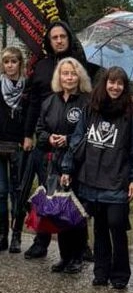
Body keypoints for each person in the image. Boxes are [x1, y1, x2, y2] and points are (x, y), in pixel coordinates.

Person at [61, 67, 133, 290]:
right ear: (104, 83)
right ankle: (101, 271)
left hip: (117, 178)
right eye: (111, 82)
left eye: (120, 84)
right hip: (91, 176)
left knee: (116, 225)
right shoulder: (91, 108)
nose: (115, 87)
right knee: (98, 227)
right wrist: (67, 168)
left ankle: (120, 274)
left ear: (125, 87)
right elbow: (77, 139)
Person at [22, 21, 100, 259]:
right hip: (48, 137)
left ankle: (82, 245)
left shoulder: (82, 61)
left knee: (75, 196)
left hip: (75, 141)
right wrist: (28, 135)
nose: (58, 40)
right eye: (54, 37)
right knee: (49, 191)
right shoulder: (42, 66)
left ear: (68, 38)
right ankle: (41, 241)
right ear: (49, 41)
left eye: (62, 36)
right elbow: (35, 103)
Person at [36, 58, 92, 273]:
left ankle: (78, 256)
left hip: (78, 163)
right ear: (59, 77)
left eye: (73, 73)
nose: (69, 77)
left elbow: (89, 134)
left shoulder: (87, 102)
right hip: (54, 164)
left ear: (80, 77)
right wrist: (49, 138)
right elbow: (39, 130)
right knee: (58, 210)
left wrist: (69, 140)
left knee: (75, 210)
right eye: (65, 73)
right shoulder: (50, 101)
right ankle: (64, 256)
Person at [0, 47, 26, 252]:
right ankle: (2, 234)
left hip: (18, 145)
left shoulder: (27, 88)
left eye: (13, 61)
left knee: (18, 191)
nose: (10, 65)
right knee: (1, 192)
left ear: (20, 64)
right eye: (6, 61)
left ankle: (17, 234)